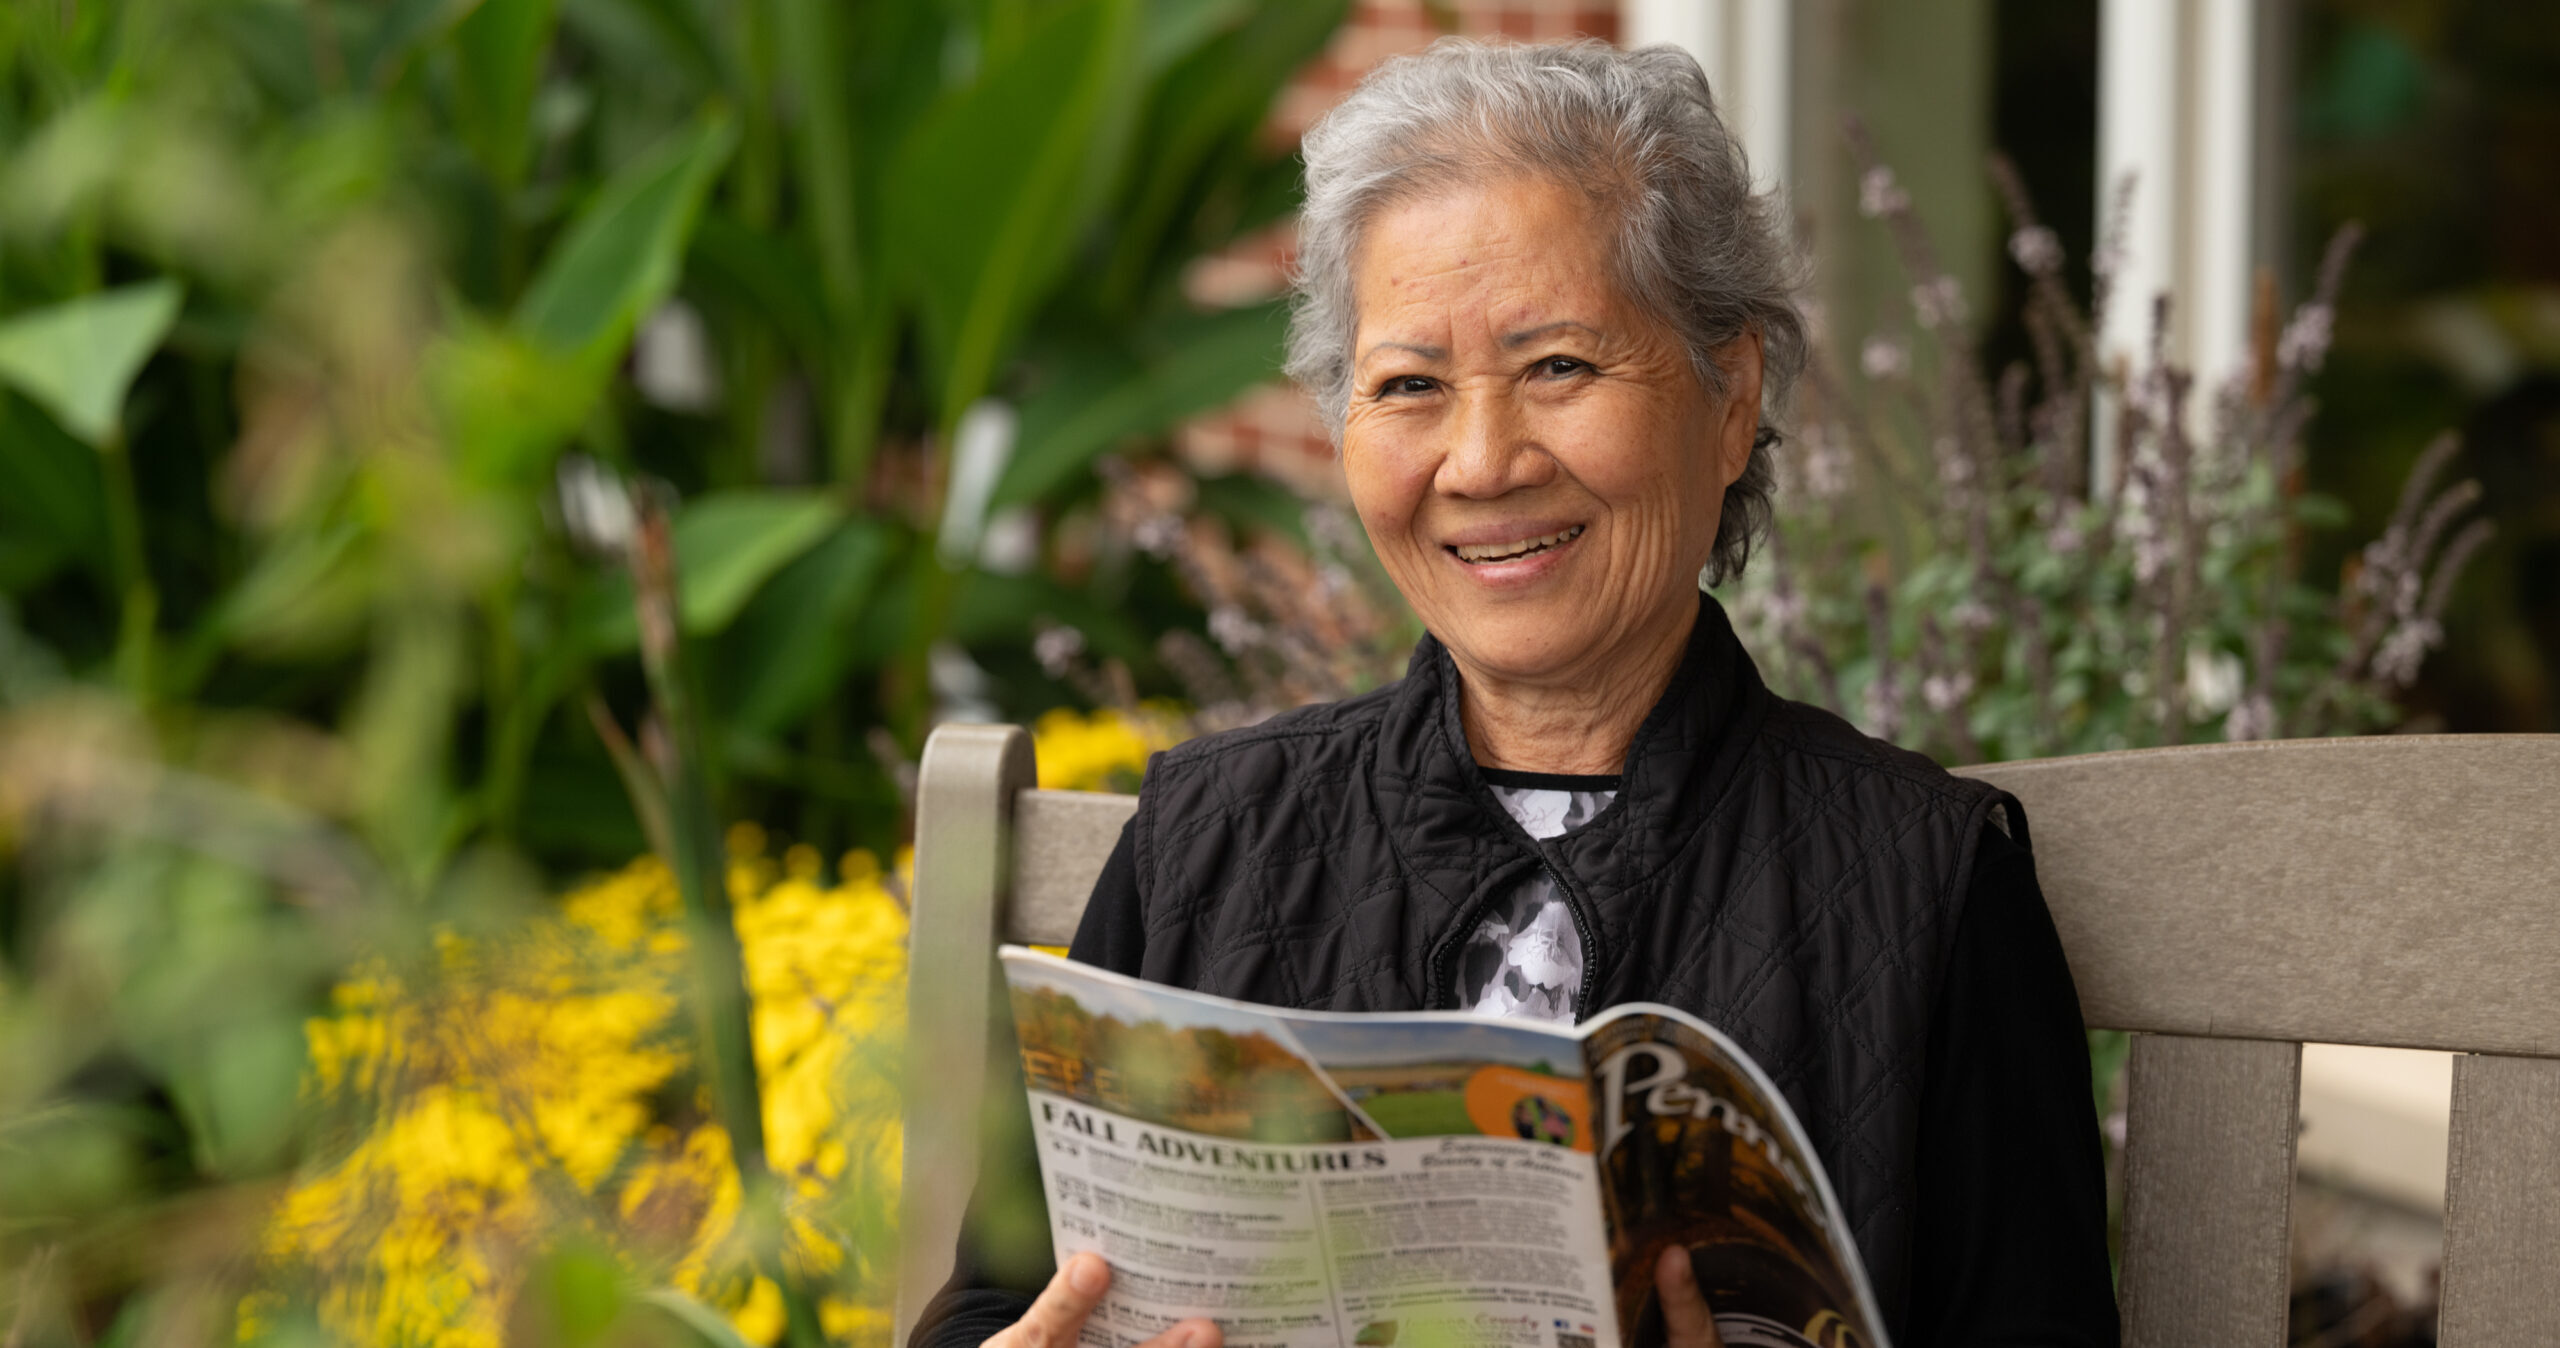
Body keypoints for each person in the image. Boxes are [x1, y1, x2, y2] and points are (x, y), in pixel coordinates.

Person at [913, 37, 2117, 1348]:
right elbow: (995, 1303)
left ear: (1731, 397)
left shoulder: (1927, 885)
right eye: (1410, 386)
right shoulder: (1205, 840)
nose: (1482, 463)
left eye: (1559, 368)